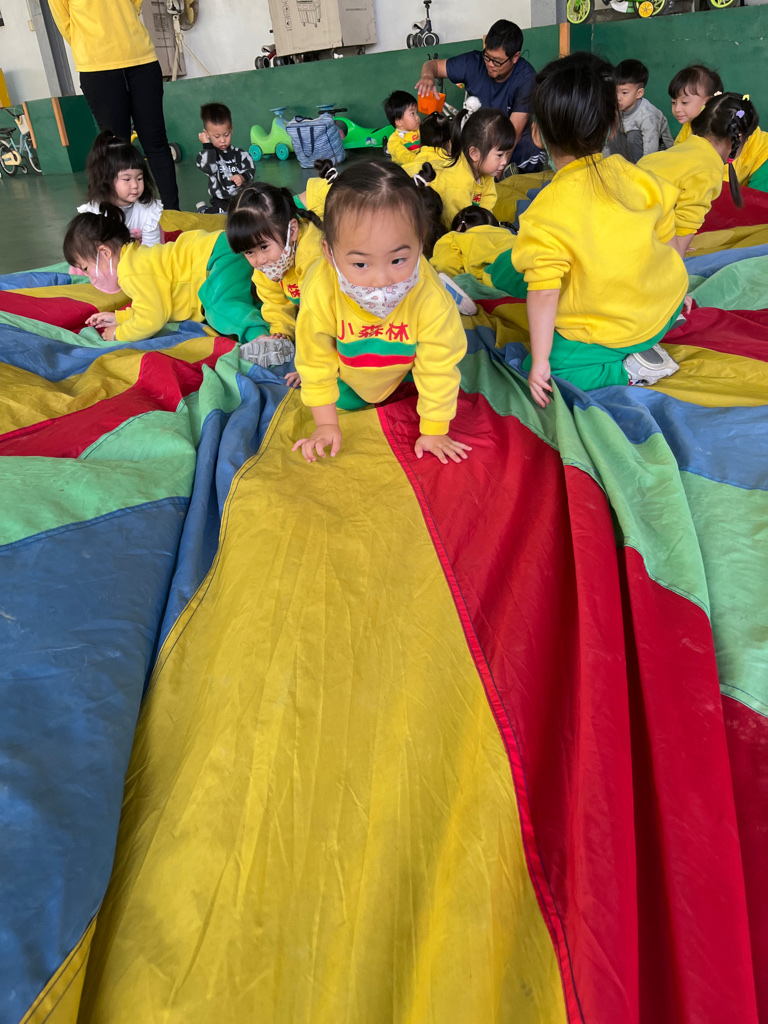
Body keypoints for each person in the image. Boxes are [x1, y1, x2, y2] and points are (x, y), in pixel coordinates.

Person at [509, 52, 688, 403]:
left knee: (550, 372)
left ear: (537, 135)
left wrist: (541, 363)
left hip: (618, 332)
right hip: (665, 309)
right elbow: (668, 241)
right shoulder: (641, 177)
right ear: (612, 126)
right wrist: (675, 294)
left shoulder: (545, 213)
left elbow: (544, 292)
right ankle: (651, 336)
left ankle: (630, 369)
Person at [291, 161, 471, 465]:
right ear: (329, 254)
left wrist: (434, 430)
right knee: (337, 399)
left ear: (421, 242)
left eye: (398, 260)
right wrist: (326, 424)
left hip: (404, 371)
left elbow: (439, 366)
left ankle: (444, 281)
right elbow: (315, 360)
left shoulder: (430, 297)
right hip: (348, 375)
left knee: (425, 386)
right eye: (361, 264)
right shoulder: (319, 291)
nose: (382, 280)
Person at [63, 205, 264, 345]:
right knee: (238, 298)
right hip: (215, 251)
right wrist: (120, 317)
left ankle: (261, 338)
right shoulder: (134, 257)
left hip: (214, 258)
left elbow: (152, 318)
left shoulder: (131, 272)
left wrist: (118, 333)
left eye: (86, 268)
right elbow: (148, 304)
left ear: (105, 253)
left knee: (219, 307)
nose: (88, 276)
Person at [48, 0, 179, 210]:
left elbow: (135, 4)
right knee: (117, 147)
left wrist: (122, 24)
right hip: (97, 67)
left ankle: (173, 213)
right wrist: (94, 45)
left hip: (141, 59)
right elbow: (64, 22)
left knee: (156, 143)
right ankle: (124, 217)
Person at [415, 20, 545, 172]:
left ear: (515, 57)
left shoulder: (526, 78)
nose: (490, 64)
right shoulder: (473, 63)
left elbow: (513, 134)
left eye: (497, 61)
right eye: (487, 57)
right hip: (482, 147)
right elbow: (433, 65)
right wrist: (427, 76)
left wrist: (495, 176)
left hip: (518, 153)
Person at [639, 93, 759, 257]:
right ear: (738, 139)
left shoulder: (678, 151)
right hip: (634, 234)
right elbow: (679, 244)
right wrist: (679, 247)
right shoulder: (708, 170)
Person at [226, 183, 324, 369]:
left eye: (264, 247)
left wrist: (310, 362)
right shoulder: (267, 267)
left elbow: (319, 312)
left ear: (292, 231)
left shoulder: (312, 255)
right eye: (249, 252)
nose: (260, 260)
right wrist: (282, 332)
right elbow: (275, 303)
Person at [414, 108, 515, 228]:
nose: (505, 162)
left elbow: (486, 211)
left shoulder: (486, 173)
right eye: (499, 155)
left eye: (507, 154)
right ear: (474, 153)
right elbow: (455, 229)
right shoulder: (458, 186)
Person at [77, 130, 163, 246]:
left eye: (139, 178)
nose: (135, 185)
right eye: (127, 179)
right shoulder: (95, 213)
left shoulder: (148, 211)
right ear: (106, 179)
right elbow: (92, 251)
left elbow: (152, 250)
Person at [606, 59, 674, 162]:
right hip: (633, 149)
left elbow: (651, 150)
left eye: (624, 93)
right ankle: (614, 165)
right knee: (615, 135)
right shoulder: (618, 108)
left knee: (633, 136)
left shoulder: (647, 115)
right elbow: (610, 141)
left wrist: (644, 168)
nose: (618, 97)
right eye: (615, 92)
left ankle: (636, 169)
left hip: (658, 153)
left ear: (639, 93)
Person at [196, 103, 255, 214]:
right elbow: (209, 169)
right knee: (224, 213)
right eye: (217, 136)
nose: (222, 140)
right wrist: (207, 145)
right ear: (207, 134)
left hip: (240, 197)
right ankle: (204, 211)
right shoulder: (207, 155)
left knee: (251, 209)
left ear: (231, 129)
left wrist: (243, 177)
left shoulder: (241, 154)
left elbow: (250, 169)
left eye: (226, 135)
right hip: (220, 199)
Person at [430, 206, 514, 283]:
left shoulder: (453, 237)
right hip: (519, 260)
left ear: (459, 229)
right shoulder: (509, 235)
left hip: (501, 274)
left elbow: (444, 265)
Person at [669, 64, 724, 139]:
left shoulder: (714, 132)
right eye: (673, 102)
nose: (677, 109)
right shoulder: (688, 126)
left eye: (684, 102)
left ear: (708, 101)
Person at [383, 91, 422, 166]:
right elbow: (405, 157)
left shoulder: (419, 131)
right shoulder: (394, 141)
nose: (417, 117)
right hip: (406, 169)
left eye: (417, 112)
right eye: (412, 114)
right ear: (399, 121)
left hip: (422, 165)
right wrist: (422, 160)